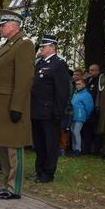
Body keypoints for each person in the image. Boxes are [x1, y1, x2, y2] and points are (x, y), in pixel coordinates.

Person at [0, 10, 34, 200]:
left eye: (2, 26)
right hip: (0, 104)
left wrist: (17, 107)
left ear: (14, 25)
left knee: (13, 148)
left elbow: (24, 79)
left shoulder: (24, 45)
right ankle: (6, 184)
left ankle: (14, 188)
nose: (0, 28)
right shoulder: (8, 45)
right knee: (3, 146)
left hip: (11, 103)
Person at [30, 35, 70, 183]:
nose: (41, 49)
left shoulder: (59, 64)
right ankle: (39, 170)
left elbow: (62, 91)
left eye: (43, 46)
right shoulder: (39, 63)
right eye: (41, 47)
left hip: (50, 112)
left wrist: (58, 112)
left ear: (52, 47)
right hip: (37, 111)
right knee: (39, 143)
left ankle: (48, 173)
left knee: (50, 144)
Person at [70, 79, 94, 155]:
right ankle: (74, 148)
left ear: (84, 85)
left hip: (80, 116)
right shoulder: (75, 93)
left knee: (76, 132)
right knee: (72, 131)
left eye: (79, 84)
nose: (77, 86)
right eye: (76, 84)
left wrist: (85, 115)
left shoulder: (86, 94)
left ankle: (78, 149)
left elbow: (89, 107)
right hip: (73, 115)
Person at [82, 64, 101, 154]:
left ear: (98, 71)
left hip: (95, 109)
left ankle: (96, 150)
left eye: (93, 70)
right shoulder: (87, 81)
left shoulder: (99, 81)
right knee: (86, 130)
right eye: (90, 70)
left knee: (95, 130)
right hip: (86, 109)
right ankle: (86, 149)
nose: (91, 72)